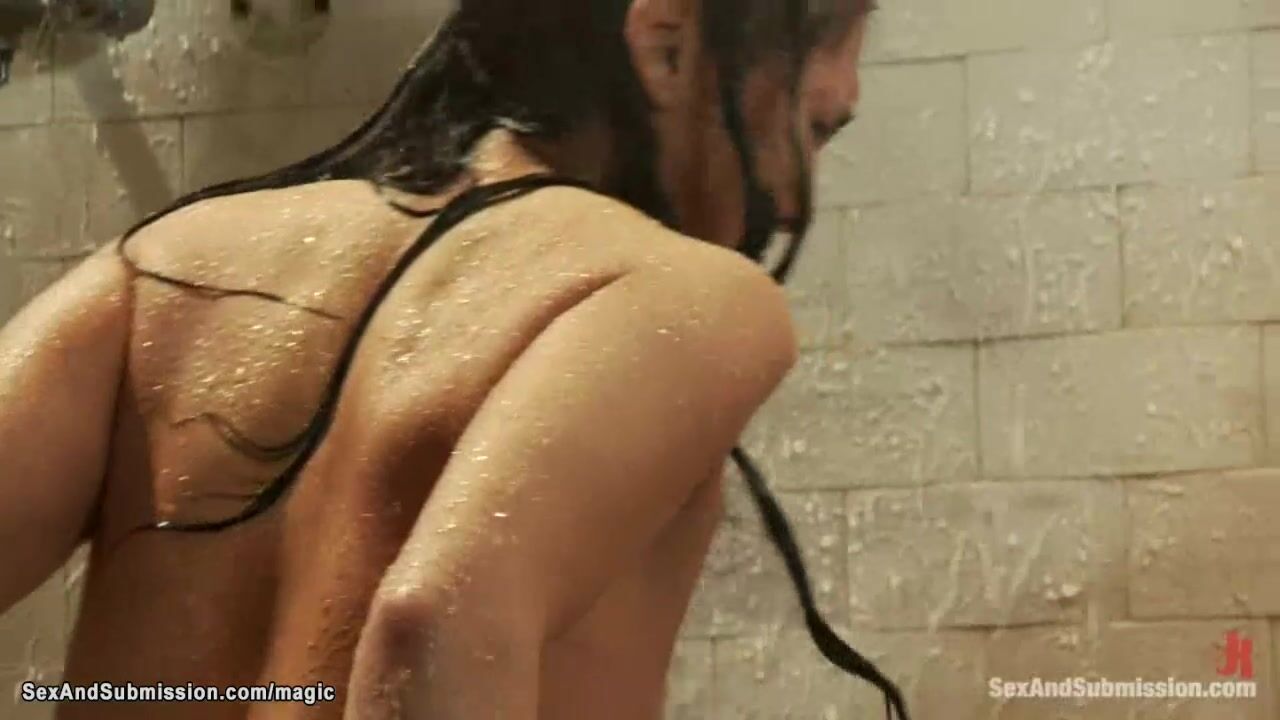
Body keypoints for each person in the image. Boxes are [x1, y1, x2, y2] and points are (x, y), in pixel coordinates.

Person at [0, 0, 906, 718]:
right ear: (665, 44)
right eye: (814, 127)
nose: (794, 201)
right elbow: (433, 626)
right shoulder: (686, 291)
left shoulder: (168, 265)